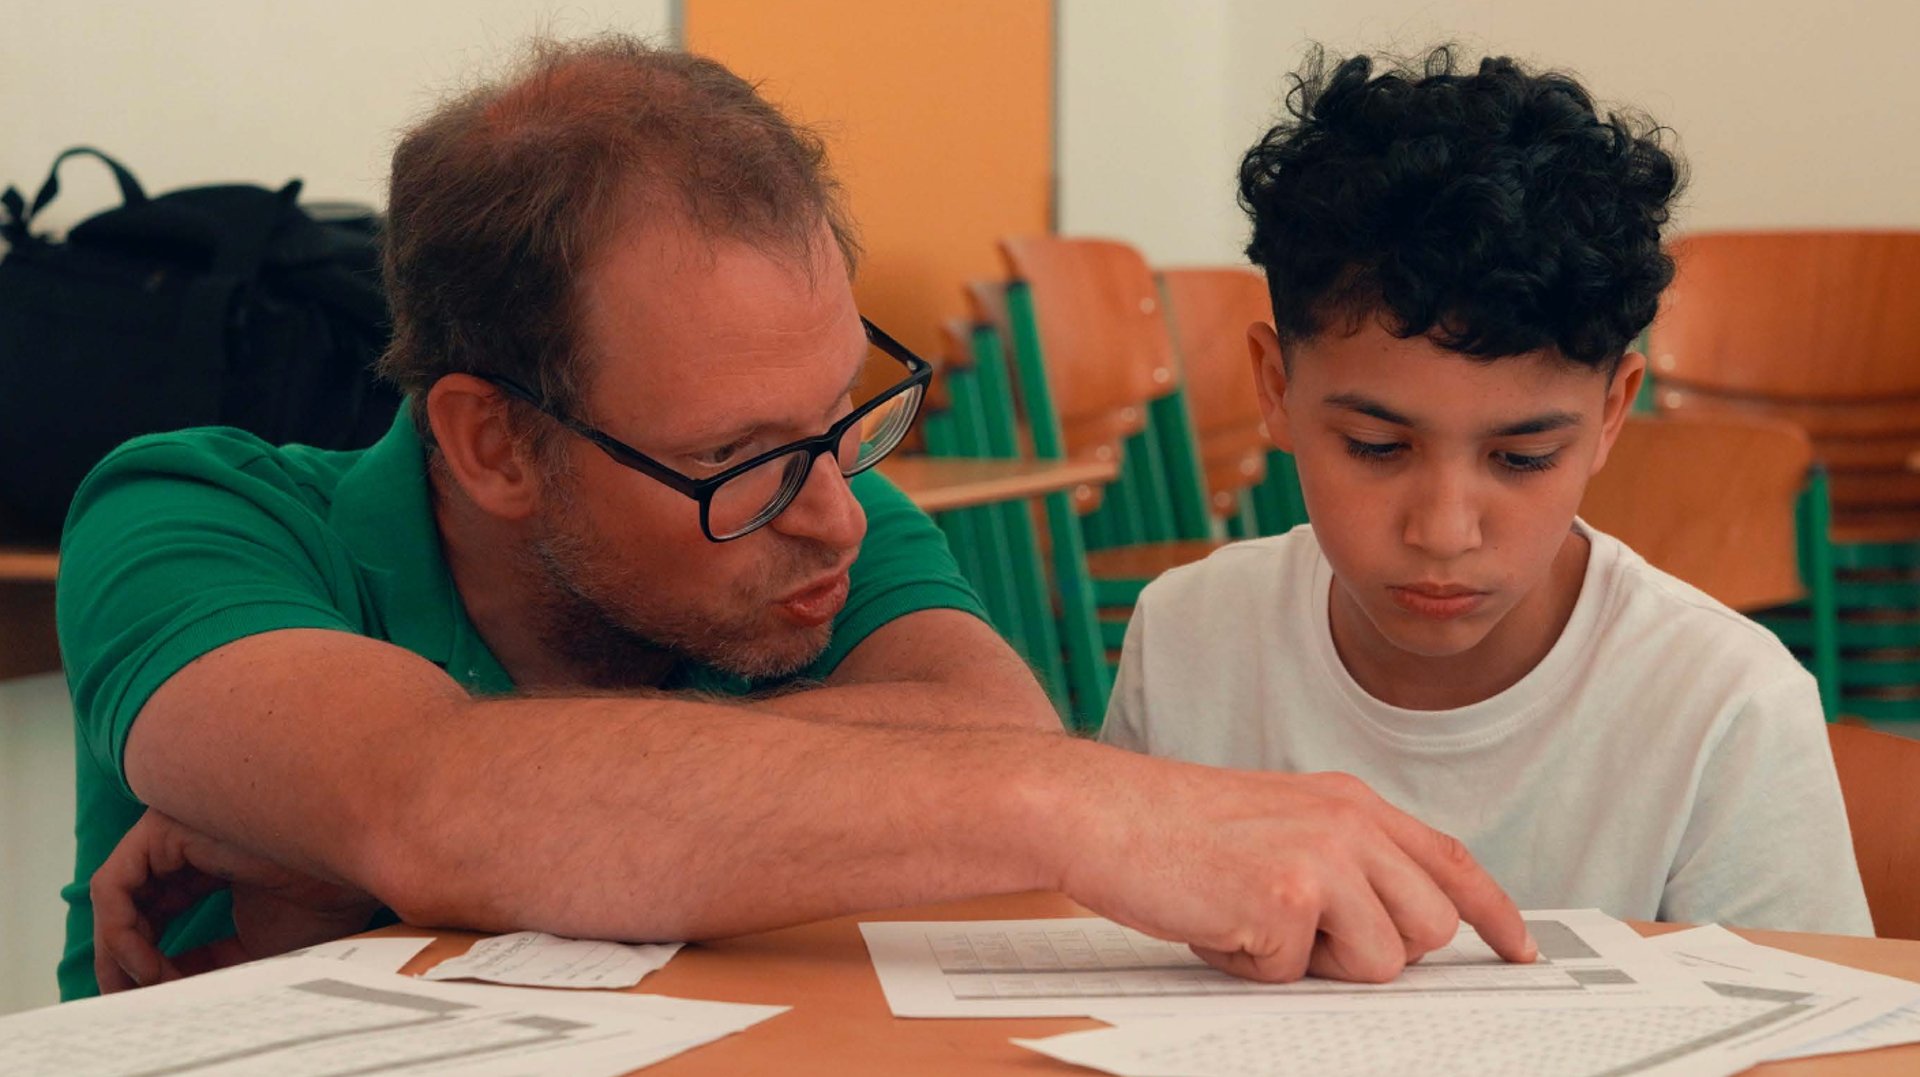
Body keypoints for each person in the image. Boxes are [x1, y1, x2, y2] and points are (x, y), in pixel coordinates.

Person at [60, 36, 1536, 1001]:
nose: (835, 514)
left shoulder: (806, 503)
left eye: (845, 414)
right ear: (492, 440)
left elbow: (989, 725)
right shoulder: (187, 517)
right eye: (743, 457)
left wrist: (440, 829)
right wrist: (1071, 803)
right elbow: (433, 802)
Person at [1101, 48, 1871, 935]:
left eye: (1522, 457)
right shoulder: (1190, 643)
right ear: (1275, 387)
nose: (1444, 529)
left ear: (1613, 412)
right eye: (1376, 446)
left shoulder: (1723, 706)